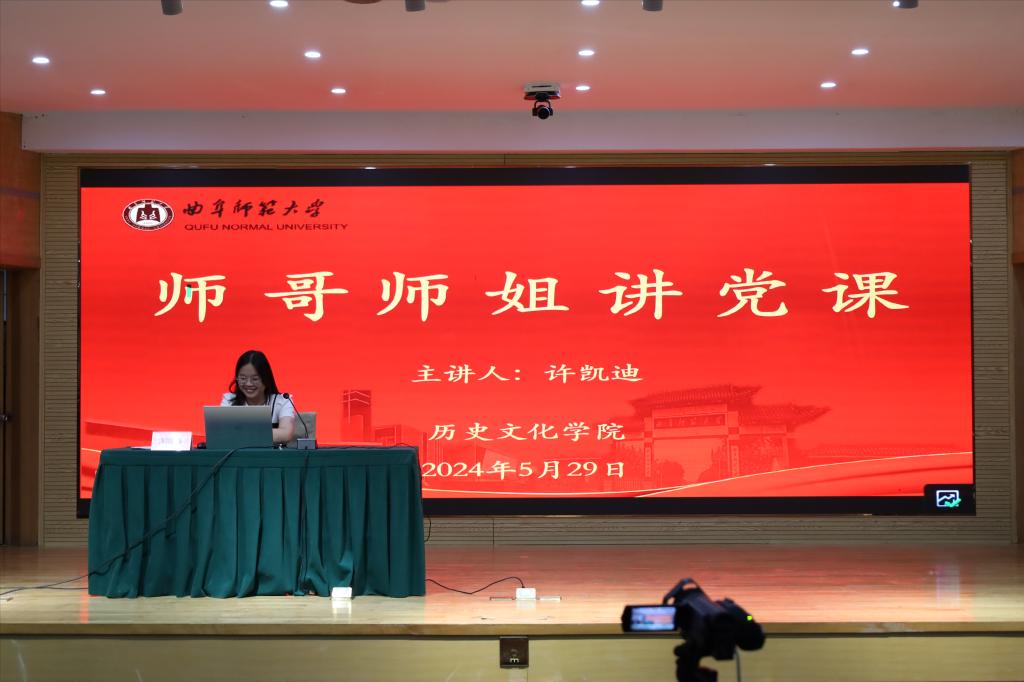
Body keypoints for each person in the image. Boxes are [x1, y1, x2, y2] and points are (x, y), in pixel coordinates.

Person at [221, 349, 296, 445]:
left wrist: (239, 433)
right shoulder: (229, 400)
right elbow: (220, 433)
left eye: (255, 379)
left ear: (266, 379)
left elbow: (286, 434)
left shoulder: (283, 400)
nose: (248, 384)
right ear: (236, 378)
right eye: (243, 378)